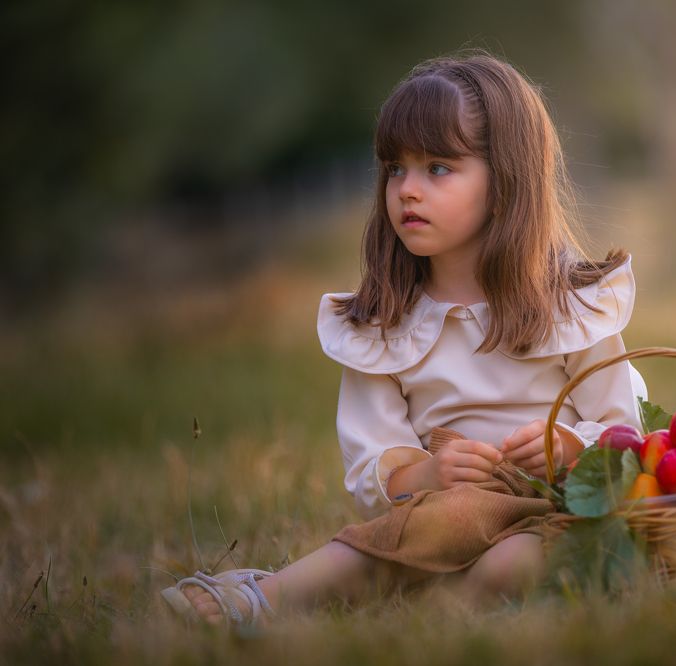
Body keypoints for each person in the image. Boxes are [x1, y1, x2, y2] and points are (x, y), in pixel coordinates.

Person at [161, 48, 648, 629]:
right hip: (443, 514)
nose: (407, 190)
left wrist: (568, 448)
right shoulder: (384, 323)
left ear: (508, 177)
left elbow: (628, 435)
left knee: (506, 569)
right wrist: (430, 475)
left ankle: (394, 600)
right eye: (395, 168)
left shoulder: (571, 304)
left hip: (559, 509)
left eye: (437, 168)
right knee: (455, 519)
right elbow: (374, 462)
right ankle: (263, 600)